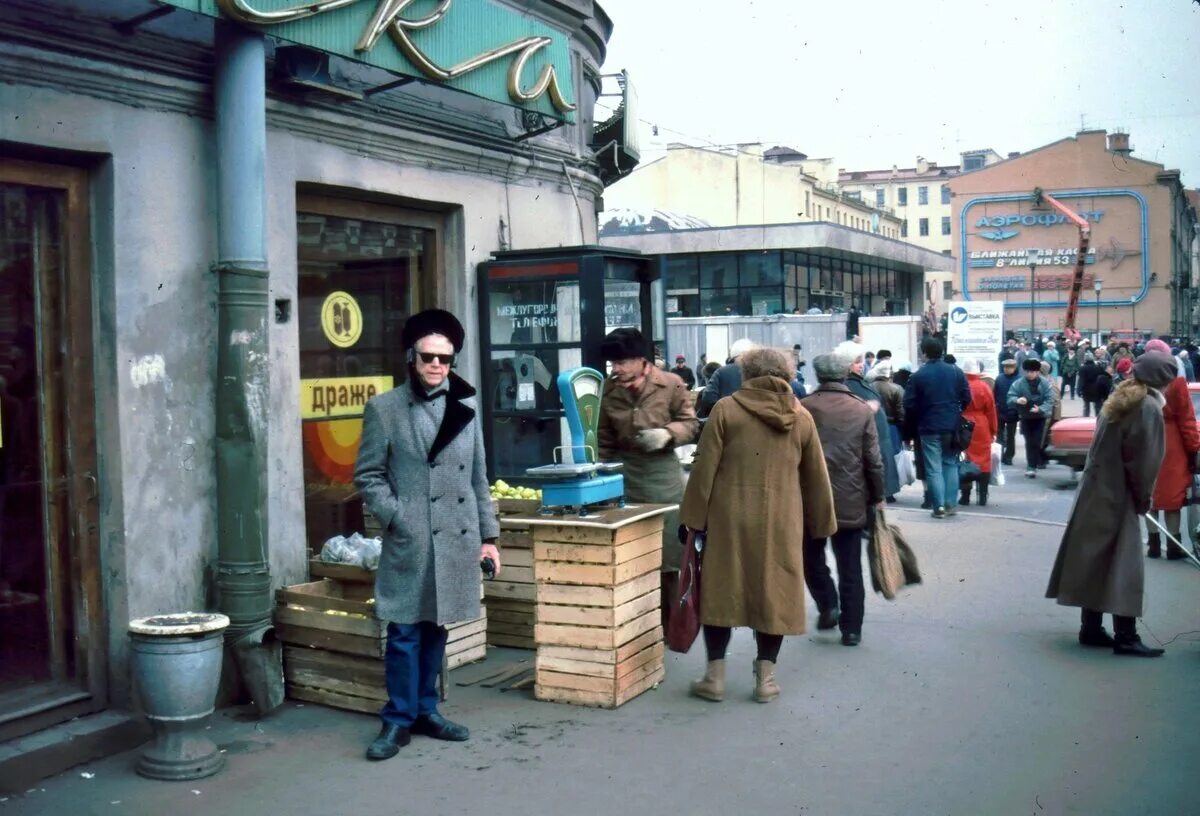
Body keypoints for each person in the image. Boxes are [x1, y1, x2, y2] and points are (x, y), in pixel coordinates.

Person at [354, 309, 501, 760]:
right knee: (403, 631)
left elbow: (478, 478)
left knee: (437, 628)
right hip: (412, 537)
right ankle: (396, 720)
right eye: (429, 357)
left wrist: (489, 537)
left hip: (455, 537)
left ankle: (426, 710)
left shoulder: (467, 408)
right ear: (411, 358)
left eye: (446, 359)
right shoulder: (385, 408)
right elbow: (369, 474)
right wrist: (399, 518)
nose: (437, 366)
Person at [680, 348, 836, 703]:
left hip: (728, 518)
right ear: (785, 373)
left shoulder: (726, 410)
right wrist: (822, 524)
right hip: (782, 520)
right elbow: (816, 476)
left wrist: (692, 519)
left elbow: (704, 470)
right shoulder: (801, 416)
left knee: (720, 591)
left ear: (746, 373)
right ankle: (766, 680)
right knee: (774, 593)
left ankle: (714, 678)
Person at [1046, 351, 1179, 657]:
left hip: (1095, 493)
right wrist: (1144, 499)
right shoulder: (1147, 407)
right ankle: (1126, 637)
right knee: (1124, 566)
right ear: (1162, 380)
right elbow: (1146, 462)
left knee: (1095, 561)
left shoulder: (1120, 399)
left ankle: (1091, 628)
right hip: (1119, 496)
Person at [598, 327, 699, 625]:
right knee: (630, 552)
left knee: (668, 554)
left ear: (641, 360)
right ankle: (637, 624)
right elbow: (603, 437)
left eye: (621, 362)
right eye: (612, 364)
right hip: (623, 476)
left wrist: (667, 434)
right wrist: (601, 473)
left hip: (661, 478)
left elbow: (691, 425)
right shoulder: (609, 388)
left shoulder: (671, 384)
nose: (616, 369)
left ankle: (670, 625)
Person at [801, 353, 884, 646]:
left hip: (810, 498)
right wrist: (877, 495)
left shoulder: (803, 408)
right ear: (846, 374)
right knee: (850, 565)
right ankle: (852, 629)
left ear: (818, 375)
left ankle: (827, 603)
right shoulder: (861, 410)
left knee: (811, 558)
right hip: (852, 496)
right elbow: (873, 459)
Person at [1142, 339, 1200, 559]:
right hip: (1171, 443)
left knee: (1148, 495)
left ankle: (1153, 544)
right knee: (1172, 497)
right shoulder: (1176, 382)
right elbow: (1187, 419)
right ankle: (1174, 546)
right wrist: (1194, 448)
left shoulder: (1136, 382)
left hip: (1145, 439)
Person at [903, 337, 971, 518]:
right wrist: (955, 412)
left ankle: (938, 506)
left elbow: (909, 404)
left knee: (933, 468)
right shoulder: (956, 372)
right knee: (950, 463)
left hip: (928, 427)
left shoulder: (917, 376)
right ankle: (950, 504)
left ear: (924, 353)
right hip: (951, 426)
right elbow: (966, 397)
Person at [839, 341, 900, 503]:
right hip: (869, 442)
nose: (861, 365)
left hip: (875, 440)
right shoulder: (850, 384)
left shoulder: (859, 382)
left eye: (861, 362)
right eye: (857, 362)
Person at [960, 359, 998, 506]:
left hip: (963, 424)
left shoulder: (961, 386)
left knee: (965, 459)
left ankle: (965, 496)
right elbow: (991, 410)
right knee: (984, 461)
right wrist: (994, 430)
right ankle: (982, 496)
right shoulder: (984, 387)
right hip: (982, 425)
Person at [1007, 358, 1053, 478]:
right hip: (1026, 416)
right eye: (1027, 371)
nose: (1029, 374)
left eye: (1032, 372)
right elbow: (1010, 397)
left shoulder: (1045, 383)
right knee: (1029, 442)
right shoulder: (1018, 383)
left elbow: (1050, 399)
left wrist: (1041, 409)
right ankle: (1031, 466)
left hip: (1040, 417)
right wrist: (1017, 400)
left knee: (1037, 441)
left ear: (1037, 372)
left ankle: (1035, 462)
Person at [698, 338, 755, 418]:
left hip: (728, 420)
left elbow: (708, 398)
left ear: (732, 356)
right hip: (756, 422)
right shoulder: (762, 372)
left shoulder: (721, 372)